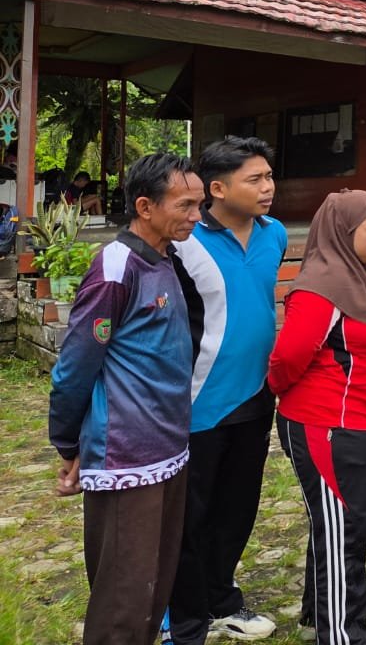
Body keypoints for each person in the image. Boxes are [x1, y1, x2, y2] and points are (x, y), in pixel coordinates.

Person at [48, 152, 203, 645]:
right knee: (123, 597)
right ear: (145, 206)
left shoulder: (167, 259)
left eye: (199, 204)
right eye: (185, 205)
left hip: (169, 449)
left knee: (154, 587)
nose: (197, 216)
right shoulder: (117, 265)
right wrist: (68, 444)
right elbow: (75, 365)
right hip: (124, 456)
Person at [268, 190, 366, 644]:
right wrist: (282, 390)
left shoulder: (363, 278)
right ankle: (342, 632)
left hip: (361, 422)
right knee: (342, 526)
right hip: (326, 423)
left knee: (348, 521)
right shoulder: (321, 287)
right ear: (344, 233)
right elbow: (288, 356)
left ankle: (323, 610)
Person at [167, 138, 287, 644]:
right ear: (218, 188)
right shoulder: (183, 243)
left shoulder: (275, 234)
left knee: (238, 508)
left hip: (256, 398)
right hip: (197, 403)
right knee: (189, 516)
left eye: (268, 176)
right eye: (254, 179)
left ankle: (220, 596)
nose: (268, 187)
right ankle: (181, 613)